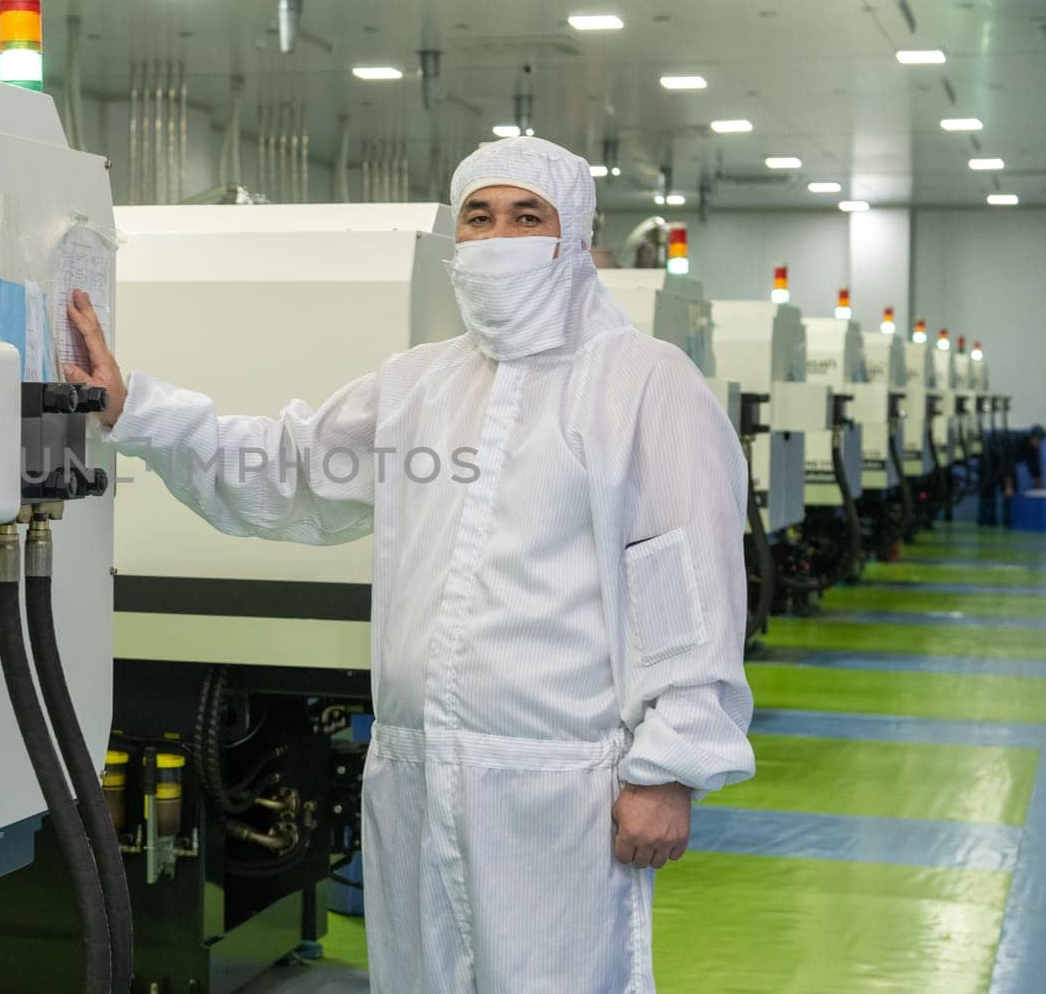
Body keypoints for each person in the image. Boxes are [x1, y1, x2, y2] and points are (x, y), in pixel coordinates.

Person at [65, 136, 756, 992]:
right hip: (416, 779)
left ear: (572, 236)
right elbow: (290, 471)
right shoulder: (421, 385)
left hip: (554, 791)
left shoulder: (644, 384)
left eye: (525, 216)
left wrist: (671, 768)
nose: (498, 236)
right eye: (479, 216)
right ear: (455, 240)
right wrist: (140, 411)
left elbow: (681, 588)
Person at [1002, 424, 1045, 527]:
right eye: (1037, 440)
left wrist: (1038, 490)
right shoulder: (1016, 443)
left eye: (1040, 441)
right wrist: (1008, 487)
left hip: (1008, 466)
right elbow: (1007, 465)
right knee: (1007, 491)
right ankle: (998, 521)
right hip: (996, 463)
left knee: (1013, 489)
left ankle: (1010, 520)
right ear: (1031, 438)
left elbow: (1035, 469)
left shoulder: (1033, 448)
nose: (1038, 443)